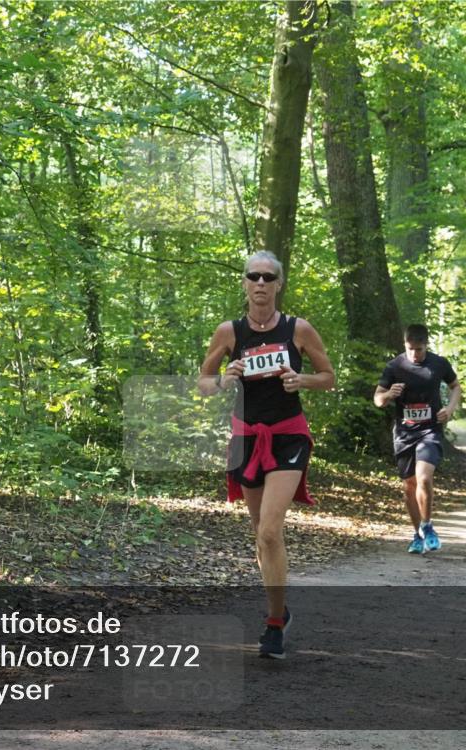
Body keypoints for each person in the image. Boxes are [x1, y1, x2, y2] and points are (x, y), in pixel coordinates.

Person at [199, 250, 335, 659]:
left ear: (279, 284)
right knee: (261, 536)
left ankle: (274, 625)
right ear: (244, 283)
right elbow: (204, 382)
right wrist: (224, 380)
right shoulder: (229, 331)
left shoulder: (299, 330)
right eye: (253, 276)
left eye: (268, 277)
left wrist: (302, 380)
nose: (260, 283)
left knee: (271, 531)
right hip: (246, 439)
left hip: (289, 436)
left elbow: (328, 377)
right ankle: (280, 609)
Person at [373, 324, 461, 554]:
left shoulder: (438, 364)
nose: (415, 354)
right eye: (410, 349)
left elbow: (455, 386)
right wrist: (389, 394)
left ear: (426, 345)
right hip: (404, 434)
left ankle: (427, 525)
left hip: (429, 431)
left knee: (424, 478)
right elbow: (377, 399)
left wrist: (450, 409)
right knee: (409, 486)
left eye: (419, 349)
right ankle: (417, 535)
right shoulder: (394, 366)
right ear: (405, 344)